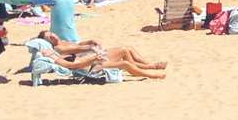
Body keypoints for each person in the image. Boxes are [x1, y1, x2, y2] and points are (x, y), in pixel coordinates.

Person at [37, 31, 167, 78]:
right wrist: (91, 48)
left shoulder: (64, 41)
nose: (53, 36)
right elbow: (77, 53)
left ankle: (148, 65)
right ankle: (150, 72)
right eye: (49, 38)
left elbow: (78, 44)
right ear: (48, 42)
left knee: (126, 49)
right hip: (90, 63)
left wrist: (90, 41)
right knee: (125, 59)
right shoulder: (58, 49)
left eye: (51, 33)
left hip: (92, 57)